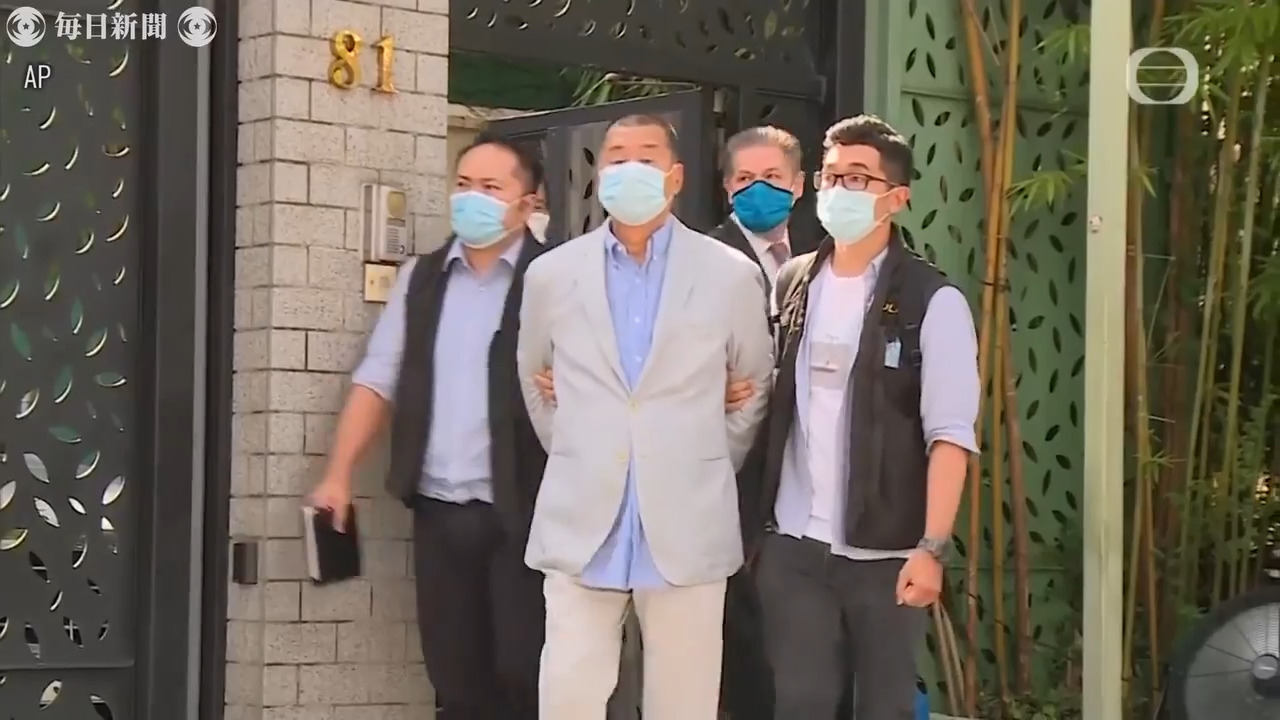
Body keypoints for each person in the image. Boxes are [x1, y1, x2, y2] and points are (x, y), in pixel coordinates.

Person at [517, 113, 775, 720]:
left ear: (676, 176)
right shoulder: (552, 274)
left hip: (689, 516)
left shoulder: (730, 274)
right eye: (616, 157)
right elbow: (536, 382)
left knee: (683, 702)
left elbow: (752, 386)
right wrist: (583, 445)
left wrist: (705, 455)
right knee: (569, 694)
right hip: (584, 516)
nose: (629, 168)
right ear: (599, 173)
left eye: (646, 156)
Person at [310, 133, 550, 720]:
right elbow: (379, 377)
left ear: (528, 203)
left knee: (528, 673)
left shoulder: (556, 278)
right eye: (463, 184)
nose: (472, 198)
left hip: (530, 512)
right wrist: (338, 475)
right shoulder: (422, 278)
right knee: (455, 679)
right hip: (441, 511)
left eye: (491, 187)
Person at [751, 114, 980, 719]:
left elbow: (950, 435)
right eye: (830, 177)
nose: (838, 190)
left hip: (887, 554)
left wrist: (931, 548)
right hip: (794, 546)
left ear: (896, 198)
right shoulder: (793, 282)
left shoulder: (933, 301)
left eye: (858, 178)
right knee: (800, 702)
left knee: (883, 706)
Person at [709, 125, 819, 307]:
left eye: (771, 176)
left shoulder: (816, 251)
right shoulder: (709, 257)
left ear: (798, 185)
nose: (759, 188)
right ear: (729, 189)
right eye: (745, 178)